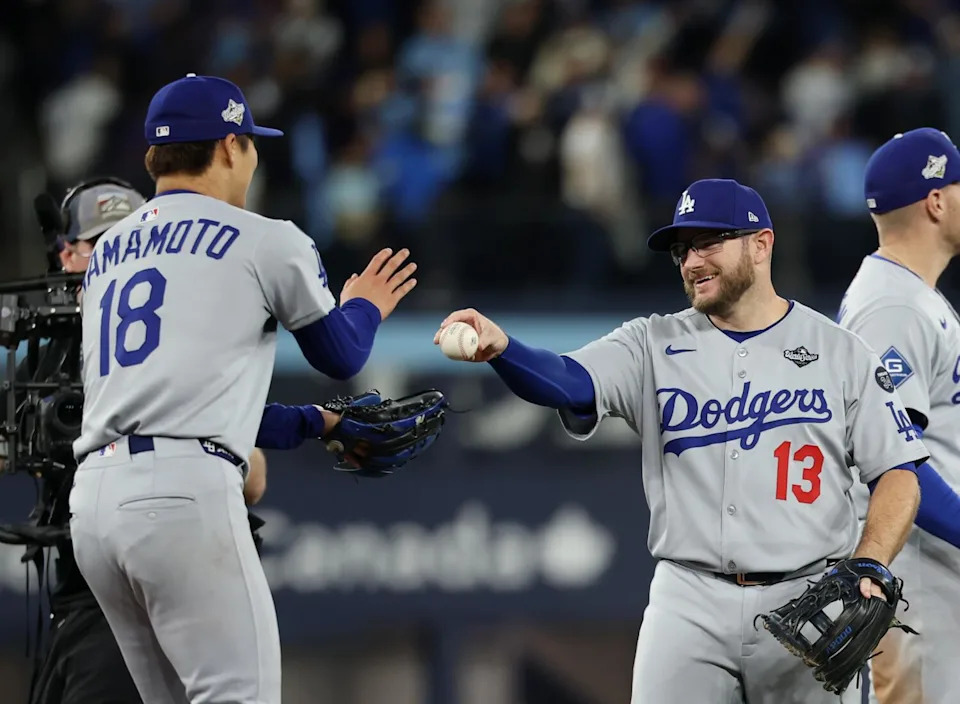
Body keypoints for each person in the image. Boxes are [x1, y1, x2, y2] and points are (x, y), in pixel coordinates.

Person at [435, 178, 928, 703]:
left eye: (708, 242)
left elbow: (898, 473)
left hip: (809, 595)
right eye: (681, 249)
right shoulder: (651, 342)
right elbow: (567, 379)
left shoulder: (840, 352)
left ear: (761, 244)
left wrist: (871, 562)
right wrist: (504, 350)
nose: (691, 261)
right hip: (689, 600)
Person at [68, 74, 417, 704]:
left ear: (155, 157)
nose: (254, 157)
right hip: (181, 496)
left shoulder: (108, 252)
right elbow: (341, 355)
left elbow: (185, 402)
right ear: (230, 146)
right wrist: (363, 305)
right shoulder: (265, 238)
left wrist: (316, 423)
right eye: (251, 143)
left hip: (94, 504)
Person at [16, 177, 270, 704]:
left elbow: (256, 475)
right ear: (66, 254)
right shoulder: (42, 354)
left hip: (173, 567)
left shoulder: (182, 329)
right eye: (99, 244)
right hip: (87, 589)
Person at [838, 127, 960, 704]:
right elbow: (894, 458)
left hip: (938, 563)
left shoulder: (913, 297)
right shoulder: (892, 305)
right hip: (921, 571)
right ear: (937, 200)